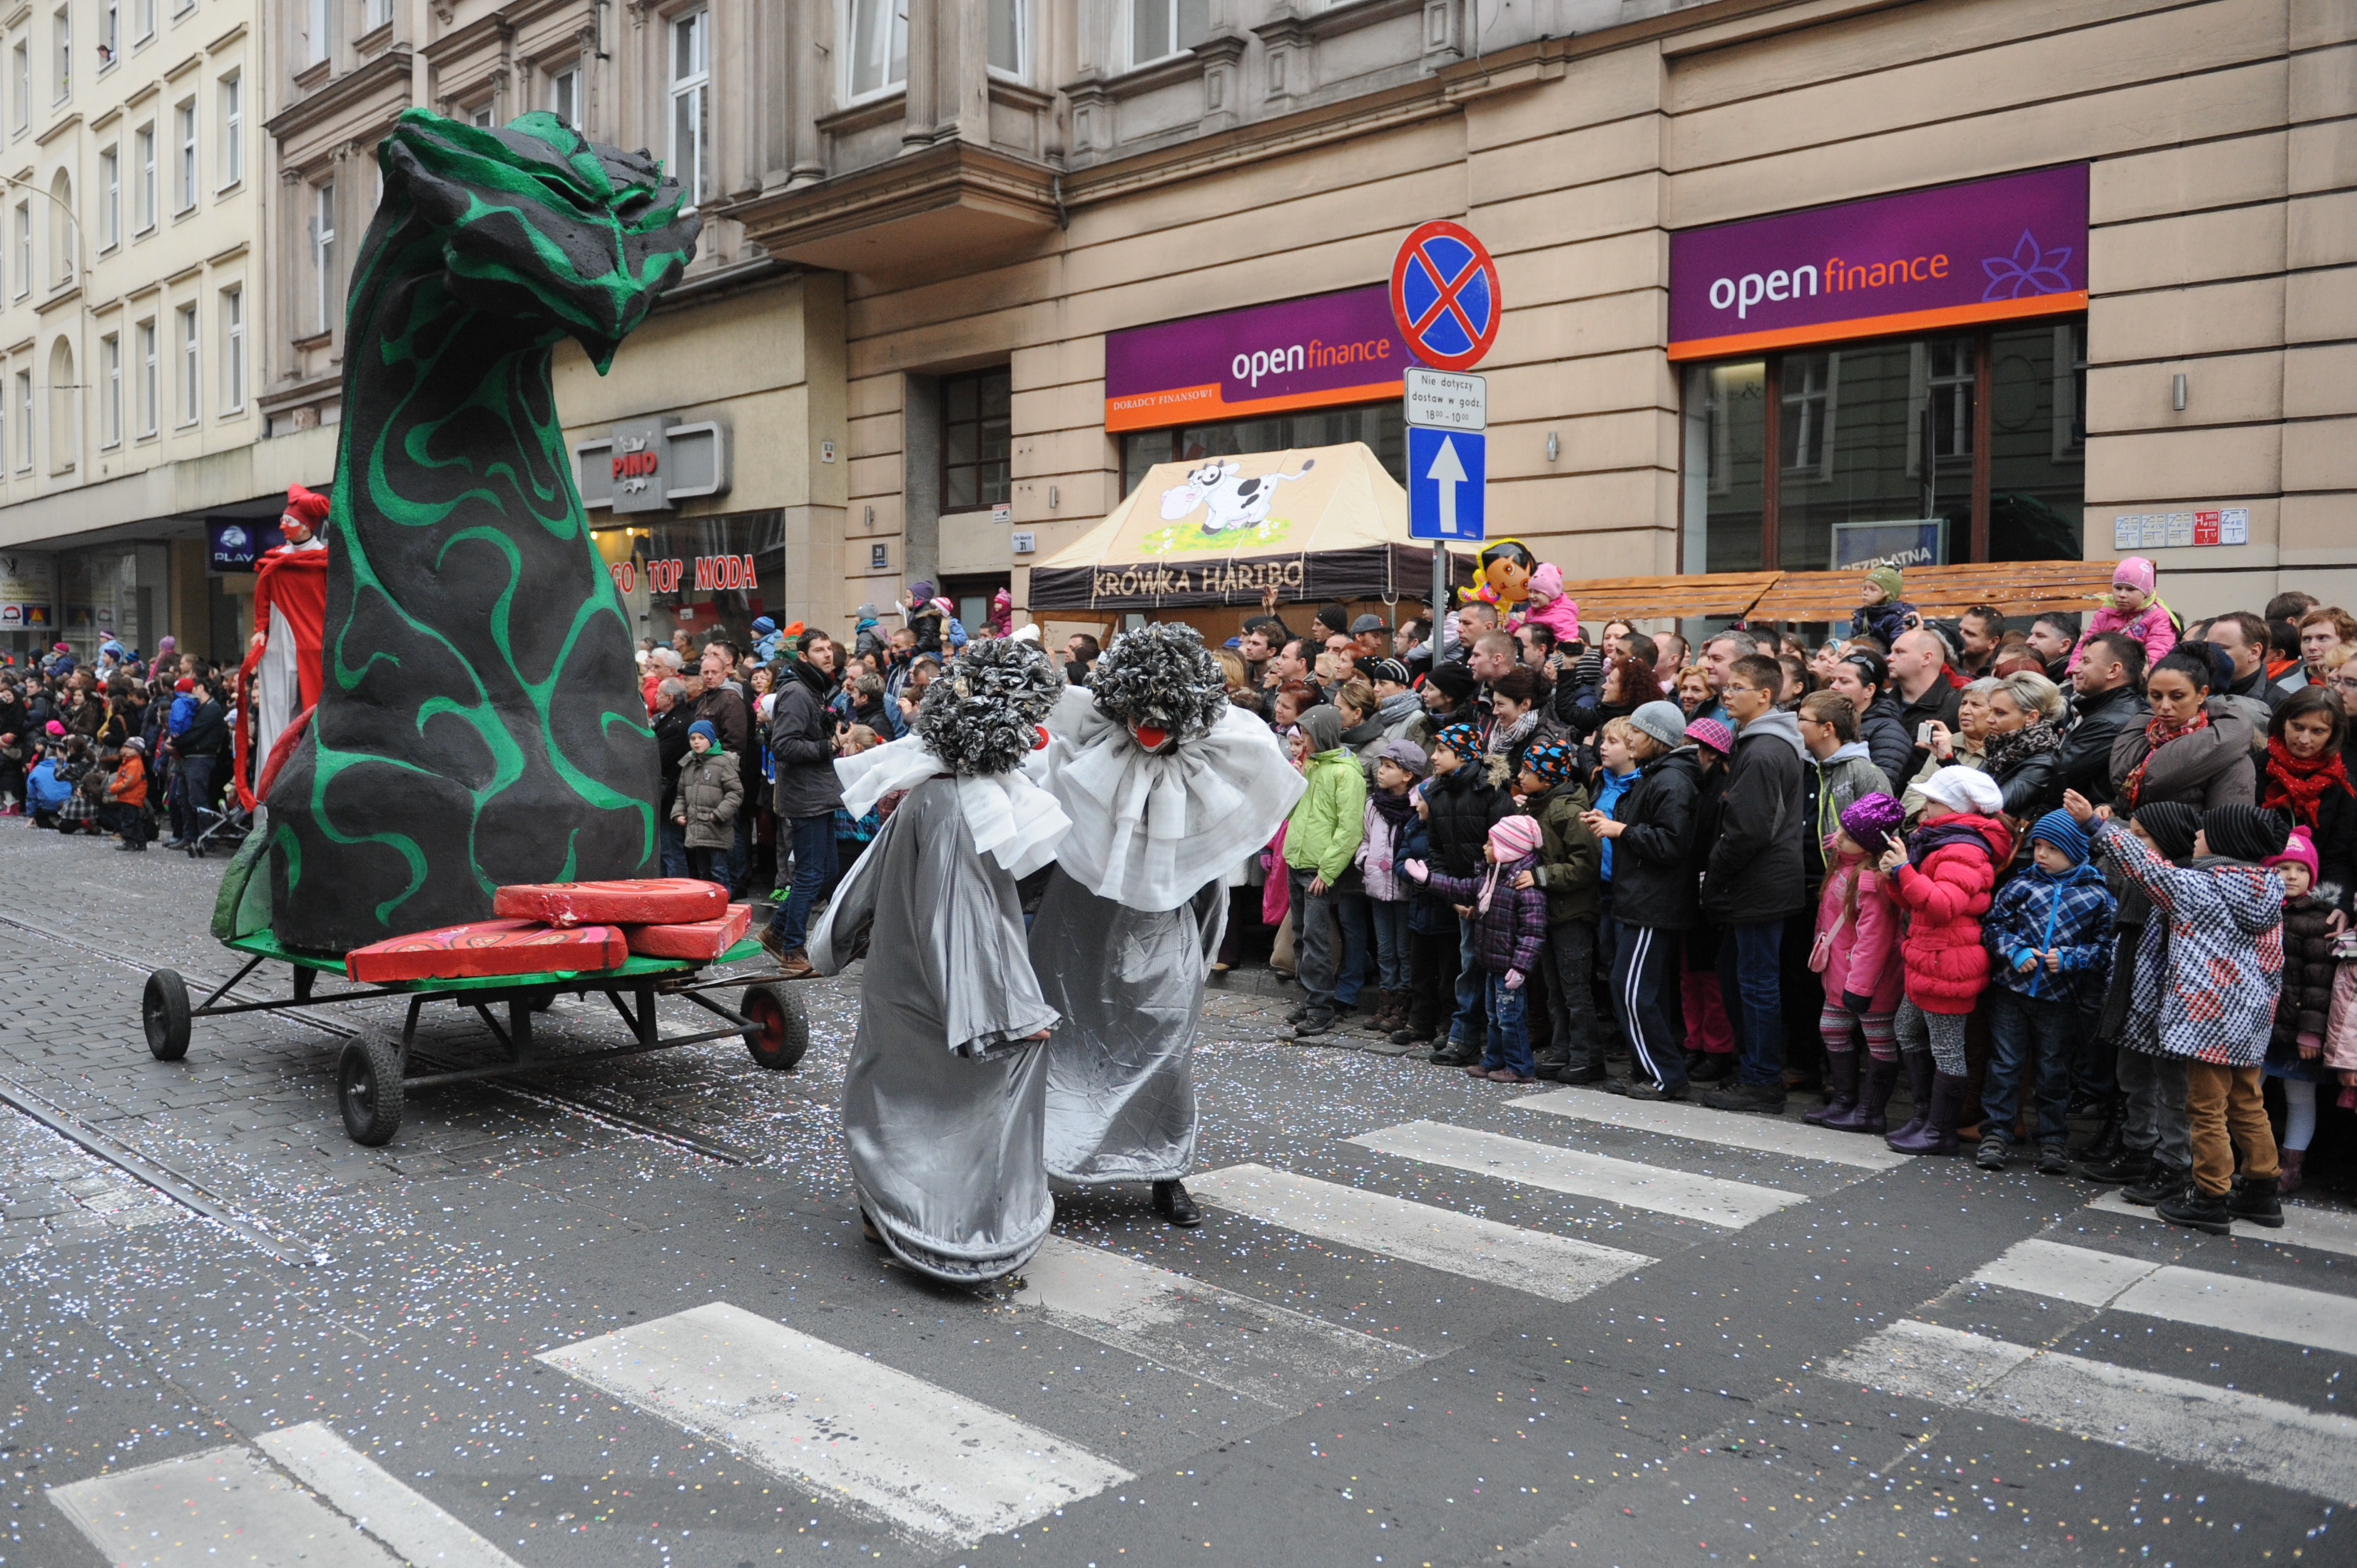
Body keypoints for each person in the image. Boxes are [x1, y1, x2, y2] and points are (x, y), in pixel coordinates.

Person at [808, 636, 1071, 1284]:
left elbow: (871, 882)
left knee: (892, 1096)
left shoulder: (932, 791)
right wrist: (1003, 1017)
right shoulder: (955, 804)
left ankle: (882, 1215)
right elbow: (965, 923)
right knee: (942, 1106)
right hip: (940, 999)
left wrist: (835, 941)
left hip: (903, 986)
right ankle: (942, 1231)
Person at [1031, 624, 1303, 1227]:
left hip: (1163, 929)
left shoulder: (1216, 756)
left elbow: (1211, 867)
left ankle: (1164, 1168)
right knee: (1063, 1038)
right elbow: (1047, 802)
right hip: (1079, 921)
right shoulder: (1090, 743)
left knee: (1163, 1047)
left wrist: (1201, 936)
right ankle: (1041, 1157)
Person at [2075, 794, 2289, 1234]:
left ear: (2224, 842)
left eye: (2204, 831)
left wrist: (2098, 827)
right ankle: (2262, 1190)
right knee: (2248, 1102)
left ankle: (2211, 1194)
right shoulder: (2267, 891)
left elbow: (2146, 867)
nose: (2195, 835)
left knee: (2204, 1108)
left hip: (2207, 1017)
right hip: (2250, 1019)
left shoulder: (2201, 888)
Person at [1975, 809, 2117, 1173]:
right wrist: (2015, 950)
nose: (2040, 854)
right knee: (2006, 1064)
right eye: (2038, 845)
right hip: (2011, 992)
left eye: (2052, 848)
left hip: (2060, 999)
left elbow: (2106, 948)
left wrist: (2071, 958)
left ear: (2074, 850)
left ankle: (2053, 1140)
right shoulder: (2021, 886)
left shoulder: (2097, 897)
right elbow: (1992, 927)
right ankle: (1996, 1133)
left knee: (2053, 1069)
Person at [1882, 766, 2011, 1155]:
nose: (1923, 809)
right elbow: (1917, 902)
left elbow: (1942, 905)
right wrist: (1896, 876)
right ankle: (1924, 1118)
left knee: (1948, 1048)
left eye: (1932, 801)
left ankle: (1939, 1130)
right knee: (1906, 1029)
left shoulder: (1964, 849)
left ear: (1953, 806)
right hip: (1928, 956)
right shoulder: (1938, 842)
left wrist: (1904, 870)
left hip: (1948, 961)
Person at [1699, 660, 1806, 1113]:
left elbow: (1749, 829)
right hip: (1759, 881)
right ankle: (1752, 1070)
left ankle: (1762, 1080)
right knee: (1734, 973)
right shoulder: (1759, 742)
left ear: (1765, 696)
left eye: (1738, 687)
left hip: (1760, 883)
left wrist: (1714, 872)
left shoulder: (1764, 750)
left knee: (1757, 982)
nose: (1726, 693)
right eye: (1728, 685)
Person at [1585, 702, 1703, 1100]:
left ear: (1654, 737)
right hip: (1641, 897)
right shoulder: (1659, 776)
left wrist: (1621, 831)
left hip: (1654, 900)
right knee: (1636, 988)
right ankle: (1650, 1070)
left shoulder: (1672, 781)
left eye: (1635, 732)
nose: (1629, 739)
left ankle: (1663, 1075)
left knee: (1633, 989)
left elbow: (1672, 843)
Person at [1404, 815, 1549, 1083]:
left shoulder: (1523, 888)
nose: (1484, 848)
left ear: (1508, 848)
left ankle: (1520, 1066)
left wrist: (1520, 967)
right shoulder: (1491, 876)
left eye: (1491, 844)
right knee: (1495, 1016)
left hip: (1509, 968)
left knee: (1511, 1018)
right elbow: (1461, 888)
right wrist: (1429, 880)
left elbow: (1532, 932)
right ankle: (1494, 1060)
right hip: (1493, 963)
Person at [1806, 793, 1908, 1131]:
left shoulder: (1871, 881)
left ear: (1866, 845)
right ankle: (1844, 1101)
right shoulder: (1847, 862)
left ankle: (1870, 1112)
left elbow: (1874, 941)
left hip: (1868, 981)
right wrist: (1840, 843)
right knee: (1831, 1030)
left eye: (1847, 836)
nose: (1838, 837)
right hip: (1841, 973)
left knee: (1879, 1040)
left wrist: (1860, 987)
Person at [1406, 722, 1500, 1060]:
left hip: (1494, 895)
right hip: (1462, 895)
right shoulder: (1438, 793)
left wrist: (1480, 894)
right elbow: (1436, 851)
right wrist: (1456, 896)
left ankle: (1495, 1040)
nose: (1434, 756)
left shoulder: (1491, 791)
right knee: (1468, 964)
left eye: (1442, 750)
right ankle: (1463, 1035)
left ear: (1463, 755)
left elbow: (1501, 849)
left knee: (1490, 968)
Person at [238, 485, 332, 813]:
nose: (282, 526)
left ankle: (316, 792)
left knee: (315, 721)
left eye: (288, 520)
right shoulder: (275, 563)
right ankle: (267, 801)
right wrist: (260, 630)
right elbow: (263, 597)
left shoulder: (325, 562)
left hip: (314, 646)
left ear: (306, 526)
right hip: (279, 645)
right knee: (275, 721)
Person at [1513, 738, 1602, 1083]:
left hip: (1572, 914)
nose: (1520, 776)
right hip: (1548, 912)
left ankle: (1587, 1056)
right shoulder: (1536, 806)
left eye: (1527, 771)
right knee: (1555, 988)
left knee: (1575, 988)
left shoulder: (1567, 810)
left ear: (1547, 778)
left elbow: (1584, 866)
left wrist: (1540, 876)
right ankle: (1563, 1049)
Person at [1281, 704, 1368, 1041]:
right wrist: (1296, 780)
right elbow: (1287, 813)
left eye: (1305, 734)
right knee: (1301, 935)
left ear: (1321, 734)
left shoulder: (1346, 773)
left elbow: (1349, 830)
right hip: (1296, 861)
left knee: (1317, 940)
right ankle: (1310, 996)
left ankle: (1321, 1008)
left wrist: (1328, 871)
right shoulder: (1311, 767)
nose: (1301, 740)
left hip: (1318, 868)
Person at [762, 632, 845, 976]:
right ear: (804, 656)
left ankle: (777, 932)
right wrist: (830, 747)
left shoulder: (814, 687)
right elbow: (784, 746)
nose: (828, 655)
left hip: (819, 793)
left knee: (826, 871)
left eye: (829, 648)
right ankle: (792, 951)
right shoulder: (796, 691)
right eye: (819, 650)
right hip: (806, 796)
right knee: (811, 874)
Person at [2263, 828, 2336, 1195]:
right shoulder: (2259, 911)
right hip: (2258, 1026)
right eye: (2283, 867)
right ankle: (2249, 1158)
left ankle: (2290, 1167)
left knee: (2300, 1097)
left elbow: (2319, 983)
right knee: (2247, 1093)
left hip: (2297, 1028)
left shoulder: (2318, 920)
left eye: (2301, 869)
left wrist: (2311, 1033)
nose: (2292, 876)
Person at [2112, 647, 2256, 815]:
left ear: (2202, 694)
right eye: (2156, 696)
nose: (2165, 706)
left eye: (2177, 696)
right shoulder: (2144, 736)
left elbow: (2226, 831)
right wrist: (2110, 810)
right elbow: (2128, 800)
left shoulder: (2230, 756)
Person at [2258, 686, 2356, 908]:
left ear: (2333, 734)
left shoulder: (2342, 784)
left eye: (2318, 731)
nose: (2304, 739)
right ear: (2284, 722)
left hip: (2314, 899)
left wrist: (2341, 906)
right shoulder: (2254, 769)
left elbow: (2337, 854)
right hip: (2256, 892)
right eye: (2297, 727)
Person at [1354, 740, 1428, 1037]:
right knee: (1385, 949)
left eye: (1388, 767)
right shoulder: (1374, 804)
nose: (1380, 772)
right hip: (1377, 886)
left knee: (1404, 948)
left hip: (1405, 888)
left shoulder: (1416, 805)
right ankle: (1386, 999)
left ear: (1407, 774)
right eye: (1381, 765)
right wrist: (1364, 860)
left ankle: (1403, 1003)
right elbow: (1366, 839)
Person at [2057, 632, 2146, 811]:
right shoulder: (2102, 711)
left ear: (2113, 670)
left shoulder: (2111, 722)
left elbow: (2060, 775)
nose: (2075, 669)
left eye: (2086, 661)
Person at [1979, 669, 2068, 819]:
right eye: (1991, 711)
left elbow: (1994, 805)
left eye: (2000, 713)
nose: (1989, 719)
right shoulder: (2000, 745)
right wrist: (1947, 759)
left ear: (2032, 717)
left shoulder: (2042, 762)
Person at [2069, 557, 2179, 675]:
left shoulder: (2159, 616)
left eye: (2130, 589)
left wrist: (2140, 675)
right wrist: (2075, 669)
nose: (2122, 594)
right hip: (2101, 674)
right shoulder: (2106, 613)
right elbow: (2086, 644)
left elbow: (2158, 650)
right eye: (2118, 588)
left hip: (2135, 677)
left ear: (2147, 592)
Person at [1823, 650, 1912, 792]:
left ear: (1869, 690)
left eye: (1844, 681)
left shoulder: (1888, 732)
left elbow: (1878, 790)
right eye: (1832, 680)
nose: (1834, 687)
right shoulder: (1829, 721)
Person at [671, 720, 742, 886]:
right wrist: (678, 813)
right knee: (703, 872)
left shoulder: (723, 763)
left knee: (719, 871)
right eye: (693, 738)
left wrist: (719, 814)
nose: (696, 742)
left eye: (701, 738)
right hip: (696, 829)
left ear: (710, 739)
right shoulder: (688, 764)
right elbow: (681, 794)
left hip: (716, 828)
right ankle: (708, 905)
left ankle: (723, 903)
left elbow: (736, 792)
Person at [1889, 627, 1963, 777]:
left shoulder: (1957, 707)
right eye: (1891, 651)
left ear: (1926, 658)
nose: (1889, 658)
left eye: (1900, 652)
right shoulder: (1881, 704)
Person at [2206, 611, 2288, 715]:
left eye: (2221, 648)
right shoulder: (2196, 690)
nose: (2209, 654)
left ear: (2254, 652)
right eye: (2207, 647)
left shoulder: (2282, 705)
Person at [101, 736, 150, 850]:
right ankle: (141, 842)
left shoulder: (134, 764)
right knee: (134, 821)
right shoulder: (128, 762)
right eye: (126, 746)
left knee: (128, 821)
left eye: (130, 748)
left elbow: (128, 783)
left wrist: (114, 788)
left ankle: (130, 843)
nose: (126, 750)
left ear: (137, 751)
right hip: (129, 797)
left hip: (131, 797)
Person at [1516, 563, 1582, 647]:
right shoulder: (1533, 610)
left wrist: (1556, 656)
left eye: (1537, 592)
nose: (1531, 596)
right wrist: (1510, 623)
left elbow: (1568, 642)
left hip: (1551, 656)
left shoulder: (1562, 616)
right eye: (1530, 591)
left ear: (1551, 594)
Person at [1851, 564, 1915, 649]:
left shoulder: (1898, 616)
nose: (1865, 593)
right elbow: (1852, 641)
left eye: (1872, 589)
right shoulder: (1862, 615)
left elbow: (1898, 650)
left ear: (1887, 594)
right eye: (1864, 588)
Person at [2296, 605, 2357, 686]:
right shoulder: (2284, 690)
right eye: (2306, 639)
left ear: (2348, 643)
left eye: (2322, 638)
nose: (2311, 647)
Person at [1956, 606, 2006, 678]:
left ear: (1993, 642)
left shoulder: (2002, 672)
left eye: (1969, 633)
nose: (1959, 636)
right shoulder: (1945, 662)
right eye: (1960, 630)